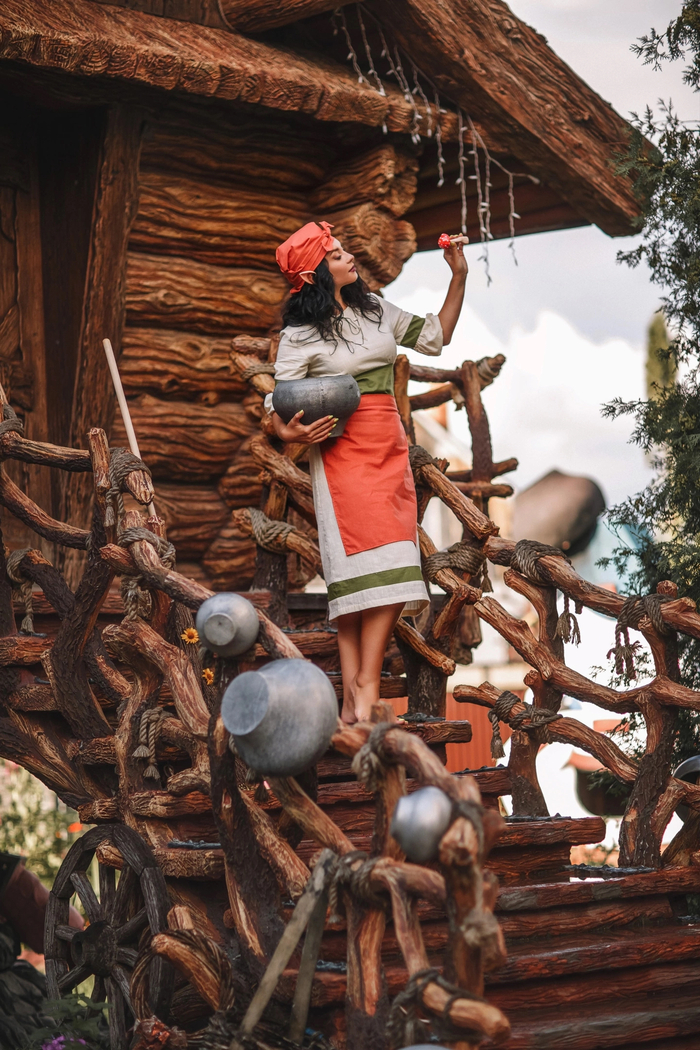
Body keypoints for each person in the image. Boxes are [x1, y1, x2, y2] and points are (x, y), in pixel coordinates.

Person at [269, 221, 468, 723]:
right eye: (336, 255)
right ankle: (364, 690)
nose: (348, 257)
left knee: (391, 567)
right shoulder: (299, 334)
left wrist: (458, 275)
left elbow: (437, 337)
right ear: (316, 274)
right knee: (363, 571)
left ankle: (356, 695)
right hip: (341, 453)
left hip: (388, 446)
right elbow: (278, 403)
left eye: (343, 250)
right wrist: (290, 431)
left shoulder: (376, 308)